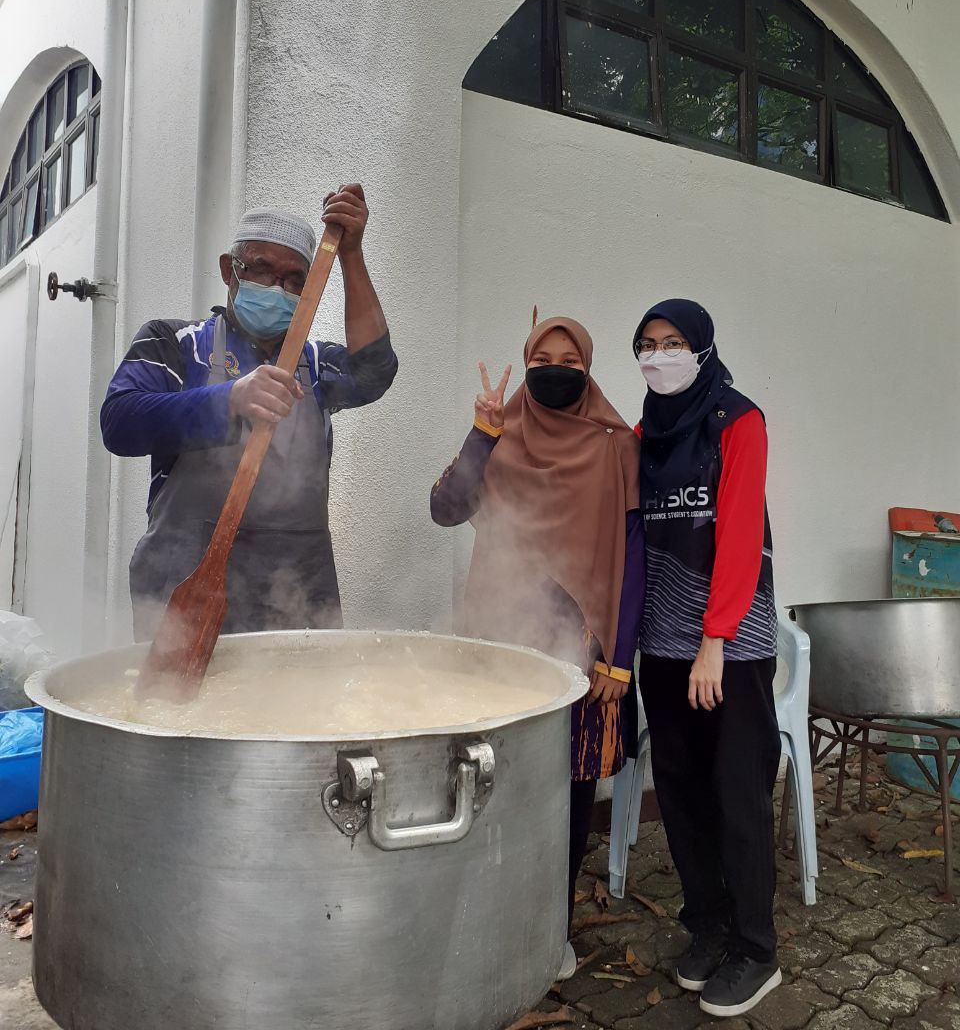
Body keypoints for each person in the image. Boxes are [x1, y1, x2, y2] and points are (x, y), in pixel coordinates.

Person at [430, 317, 644, 982]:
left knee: (573, 788)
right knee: (493, 779)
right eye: (543, 358)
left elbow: (636, 554)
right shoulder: (501, 437)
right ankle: (487, 916)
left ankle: (551, 929)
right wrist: (481, 433)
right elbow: (445, 508)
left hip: (582, 645)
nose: (556, 368)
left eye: (570, 358)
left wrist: (619, 658)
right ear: (526, 364)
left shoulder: (615, 445)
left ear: (588, 367)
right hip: (500, 633)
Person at [101, 184, 397, 638]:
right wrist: (228, 400)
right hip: (184, 587)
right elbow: (119, 423)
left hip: (297, 593)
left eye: (294, 281)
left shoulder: (315, 365)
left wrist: (352, 255)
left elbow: (375, 371)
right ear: (229, 270)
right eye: (261, 270)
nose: (278, 289)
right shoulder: (174, 342)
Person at [631, 298, 780, 1019]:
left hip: (730, 647)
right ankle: (708, 926)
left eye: (675, 343)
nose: (660, 356)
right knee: (682, 793)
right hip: (662, 645)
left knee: (736, 793)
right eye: (648, 344)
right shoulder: (643, 434)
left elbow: (742, 526)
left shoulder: (737, 419)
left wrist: (715, 639)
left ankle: (756, 949)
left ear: (704, 348)